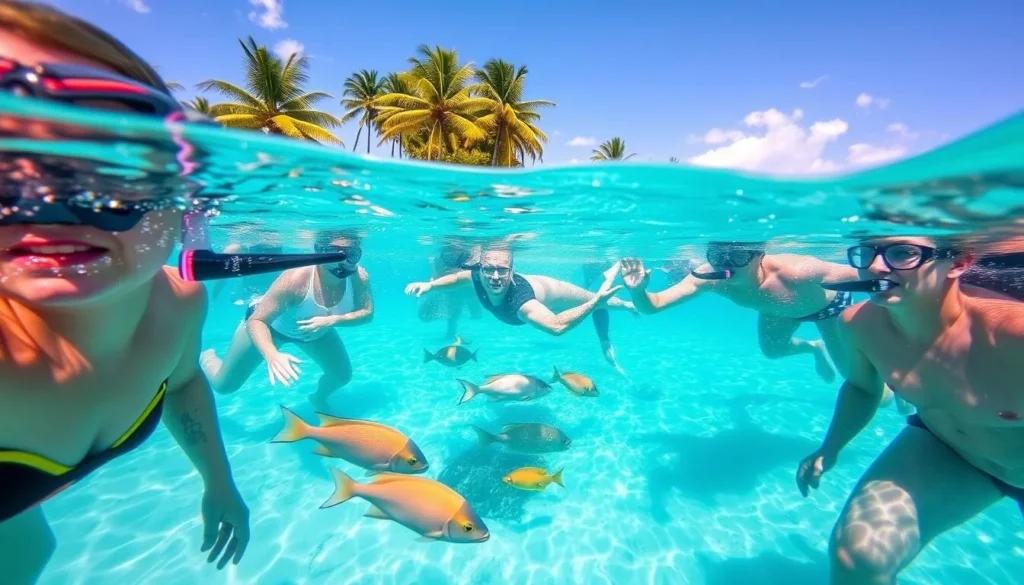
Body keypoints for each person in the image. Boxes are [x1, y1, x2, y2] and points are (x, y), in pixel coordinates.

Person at [0, 2, 249, 583]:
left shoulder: (178, 303)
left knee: (32, 551)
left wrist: (219, 482)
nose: (45, 209)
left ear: (186, 199)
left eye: (110, 165)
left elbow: (182, 383)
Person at [794, 235, 1024, 584]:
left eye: (902, 253)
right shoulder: (858, 324)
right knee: (856, 559)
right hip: (950, 450)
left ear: (959, 263)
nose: (875, 266)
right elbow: (861, 387)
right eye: (867, 252)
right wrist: (831, 447)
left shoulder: (1012, 334)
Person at [619, 241, 905, 410]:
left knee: (875, 397)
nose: (727, 265)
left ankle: (901, 388)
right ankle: (814, 348)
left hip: (827, 310)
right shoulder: (708, 279)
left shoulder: (798, 271)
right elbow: (652, 306)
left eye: (738, 256)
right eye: (718, 257)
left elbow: (873, 276)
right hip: (776, 311)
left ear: (759, 256)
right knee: (773, 352)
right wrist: (637, 291)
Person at [201, 228, 373, 409]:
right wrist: (271, 354)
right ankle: (206, 357)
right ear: (319, 253)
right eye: (333, 254)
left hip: (314, 330)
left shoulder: (359, 277)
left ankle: (318, 398)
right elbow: (257, 321)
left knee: (341, 376)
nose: (343, 261)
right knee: (224, 386)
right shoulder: (295, 279)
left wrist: (333, 320)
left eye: (351, 254)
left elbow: (367, 313)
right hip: (270, 327)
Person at [405, 245, 633, 373]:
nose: (495, 277)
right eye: (489, 269)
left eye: (503, 270)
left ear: (512, 271)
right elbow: (457, 278)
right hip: (537, 291)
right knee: (597, 301)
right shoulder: (477, 276)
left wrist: (593, 302)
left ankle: (628, 304)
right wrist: (430, 285)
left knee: (603, 301)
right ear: (481, 269)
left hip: (552, 290)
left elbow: (557, 326)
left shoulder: (521, 303)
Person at [415, 238, 481, 340]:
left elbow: (471, 276)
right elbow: (435, 275)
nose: (451, 252)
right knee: (450, 313)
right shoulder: (438, 260)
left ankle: (455, 332)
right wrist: (430, 285)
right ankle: (451, 333)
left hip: (466, 289)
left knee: (473, 313)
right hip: (448, 289)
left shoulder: (468, 256)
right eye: (448, 251)